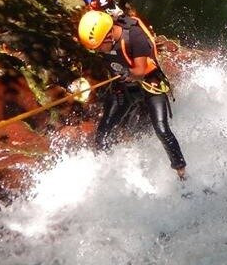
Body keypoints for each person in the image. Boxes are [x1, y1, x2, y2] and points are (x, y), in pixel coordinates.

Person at [78, 10, 187, 179]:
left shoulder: (135, 36)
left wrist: (127, 74)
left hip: (150, 85)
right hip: (125, 88)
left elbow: (141, 71)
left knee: (161, 129)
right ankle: (106, 172)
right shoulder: (106, 42)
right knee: (103, 131)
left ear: (107, 37)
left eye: (98, 47)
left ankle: (182, 172)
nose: (98, 51)